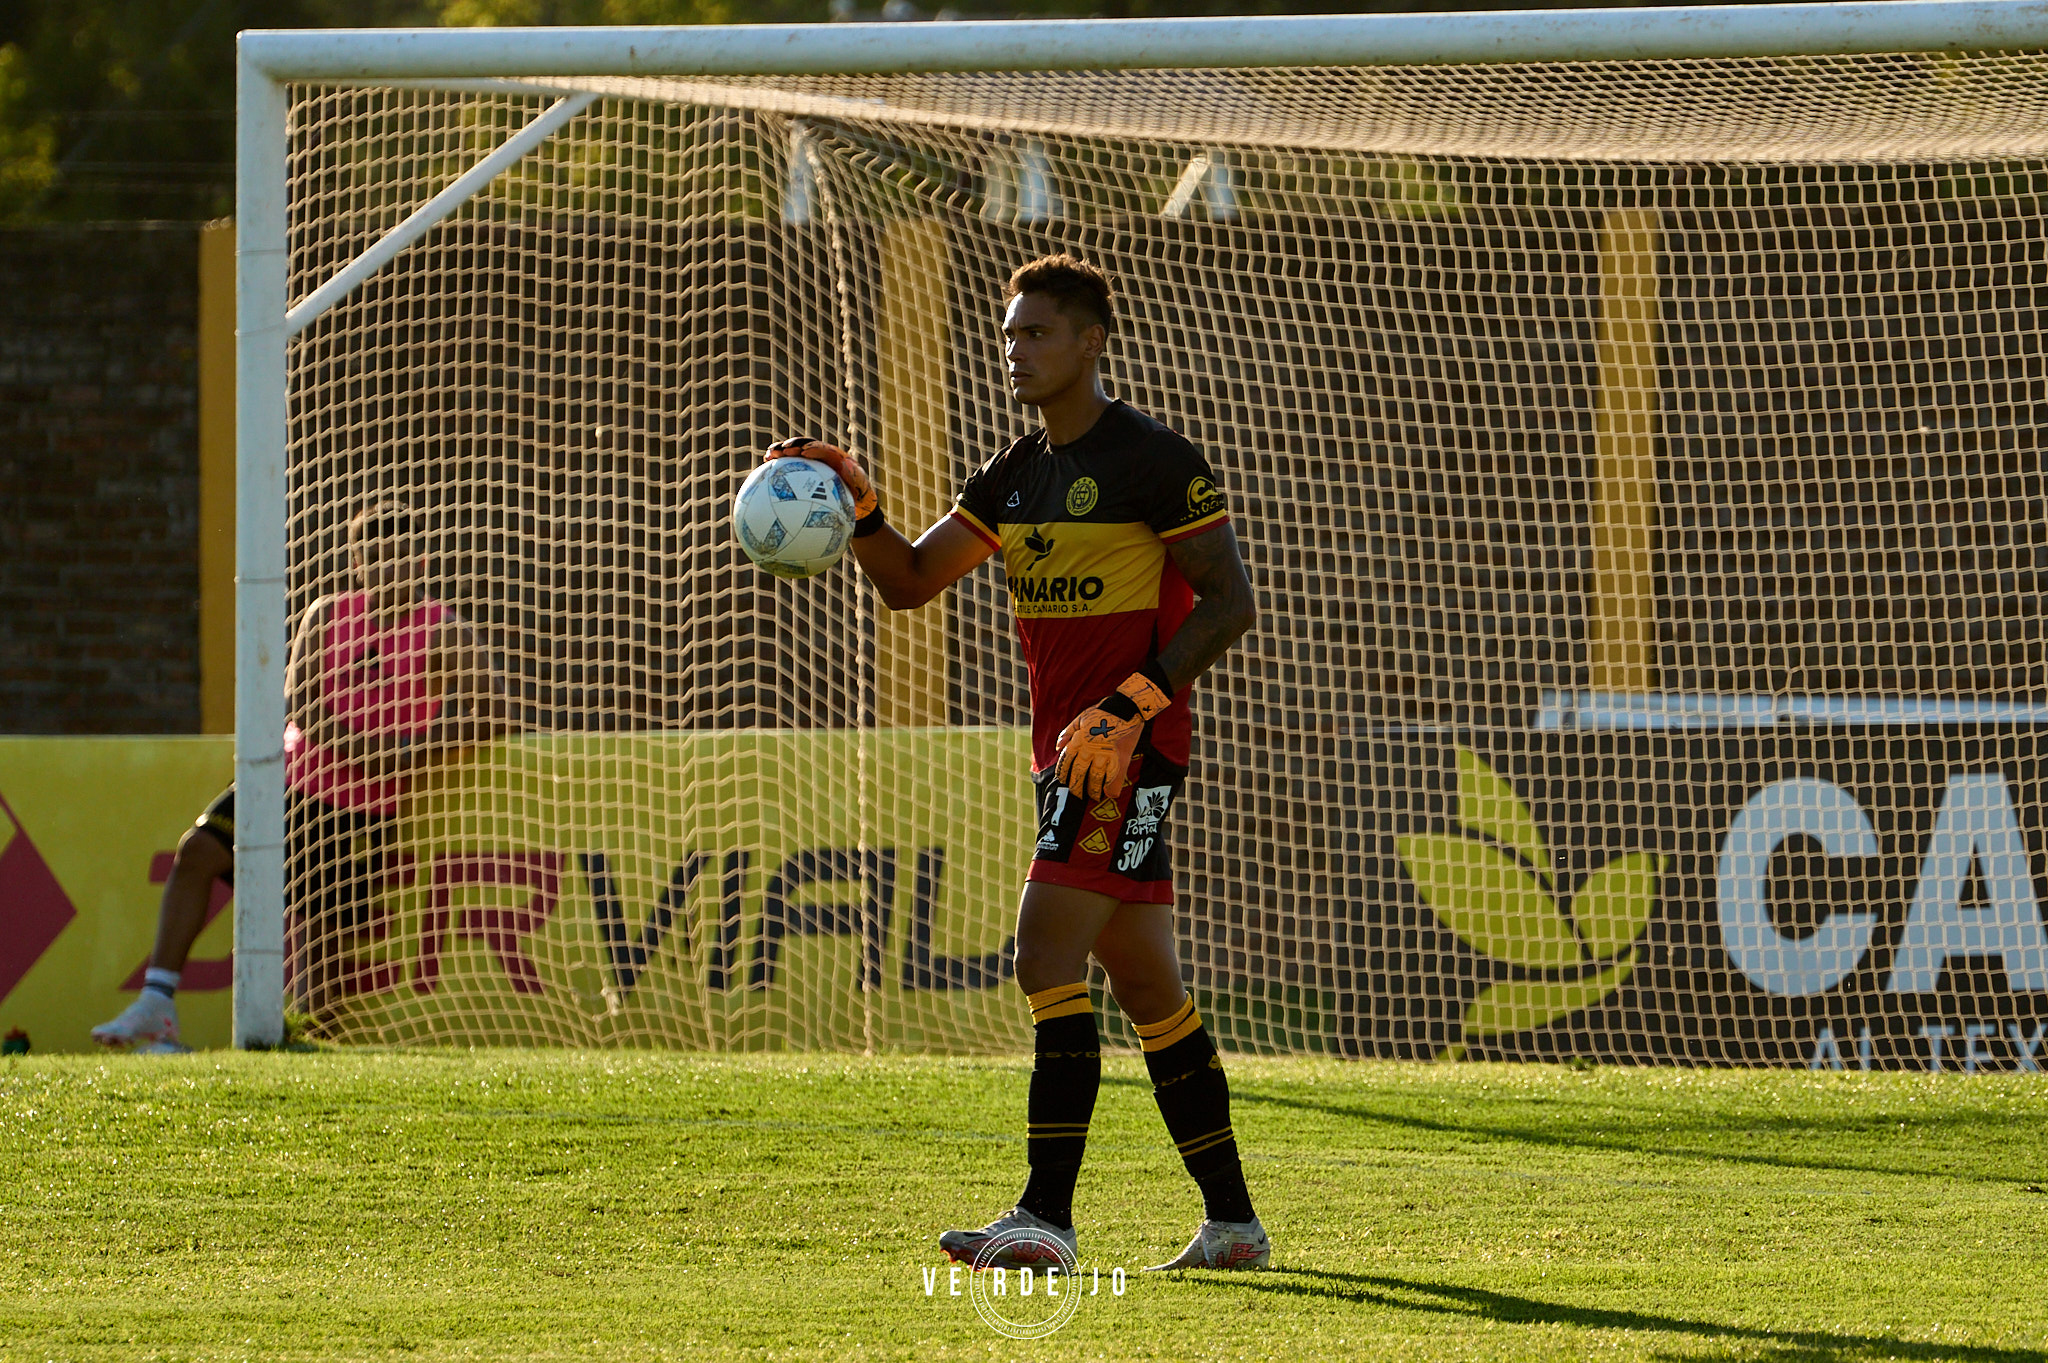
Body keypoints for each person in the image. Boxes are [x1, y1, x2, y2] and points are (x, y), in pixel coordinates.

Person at [766, 254, 1266, 1272]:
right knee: (1147, 990)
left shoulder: (1153, 461)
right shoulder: (1013, 472)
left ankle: (1044, 1218)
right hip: (1066, 755)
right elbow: (909, 579)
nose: (1015, 352)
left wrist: (1129, 707)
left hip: (1125, 753)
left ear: (1091, 341)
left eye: (1036, 333)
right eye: (1007, 335)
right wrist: (856, 502)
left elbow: (1230, 606)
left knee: (1041, 952)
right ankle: (1233, 1226)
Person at [92, 501, 506, 1051]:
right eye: (375, 555)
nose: (390, 567)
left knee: (317, 958)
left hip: (359, 811)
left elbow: (493, 709)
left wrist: (406, 753)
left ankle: (307, 1055)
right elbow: (300, 701)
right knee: (197, 850)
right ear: (356, 562)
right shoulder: (328, 614)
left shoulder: (443, 632)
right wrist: (359, 748)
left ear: (422, 561)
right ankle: (156, 1003)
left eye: (402, 555)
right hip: (288, 786)